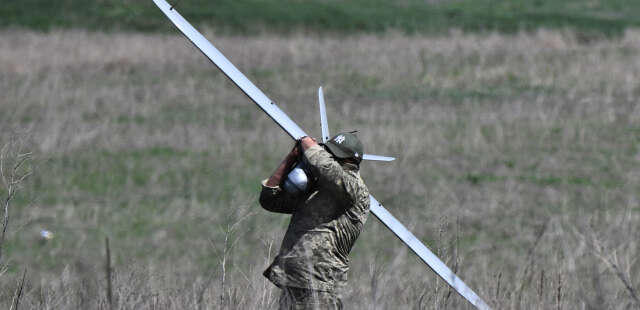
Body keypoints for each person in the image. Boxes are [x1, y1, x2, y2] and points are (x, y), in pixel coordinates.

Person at [259, 133, 370, 310]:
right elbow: (270, 200)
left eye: (332, 153)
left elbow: (330, 170)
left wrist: (310, 147)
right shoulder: (316, 189)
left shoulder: (355, 189)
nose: (326, 154)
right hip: (292, 281)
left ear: (348, 160)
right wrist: (292, 158)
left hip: (320, 285)